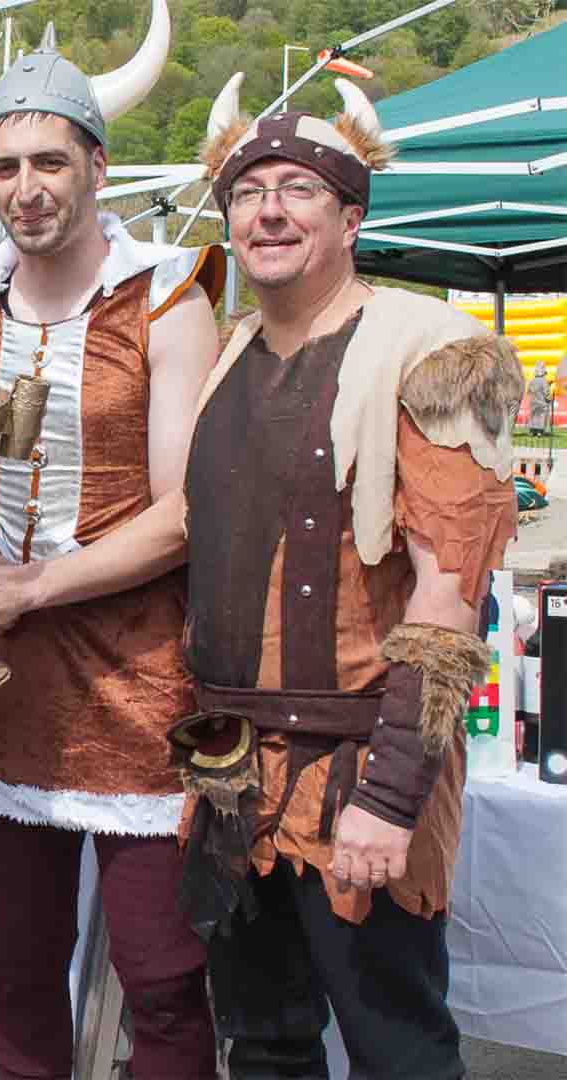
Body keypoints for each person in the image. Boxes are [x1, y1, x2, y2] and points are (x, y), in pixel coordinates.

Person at [0, 5, 228, 1076]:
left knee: (163, 977)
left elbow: (186, 513)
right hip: (7, 680)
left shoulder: (166, 297)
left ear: (97, 162)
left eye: (49, 160)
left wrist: (25, 587)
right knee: (18, 963)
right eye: (4, 167)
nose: (26, 187)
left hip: (141, 676)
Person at [178, 75, 523, 1080]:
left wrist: (396, 791)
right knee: (265, 1044)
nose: (269, 210)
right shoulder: (228, 353)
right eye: (248, 191)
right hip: (230, 771)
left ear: (352, 214)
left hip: (359, 772)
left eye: (297, 189)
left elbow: (448, 594)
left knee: (397, 1048)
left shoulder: (439, 350)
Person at [526, 361, 553, 436]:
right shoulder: (544, 381)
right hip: (542, 402)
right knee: (541, 416)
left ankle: (532, 431)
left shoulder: (532, 381)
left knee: (533, 415)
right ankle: (539, 431)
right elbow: (546, 392)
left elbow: (529, 391)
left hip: (533, 402)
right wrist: (549, 399)